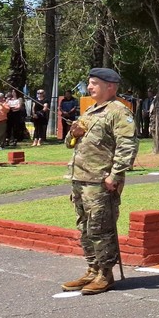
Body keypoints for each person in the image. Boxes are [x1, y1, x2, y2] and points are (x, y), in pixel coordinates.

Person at [60, 67, 138, 295]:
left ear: (110, 87)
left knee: (100, 228)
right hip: (81, 179)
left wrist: (115, 175)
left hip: (100, 181)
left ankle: (105, 273)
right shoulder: (90, 111)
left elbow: (127, 145)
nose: (90, 87)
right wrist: (73, 134)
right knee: (84, 227)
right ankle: (92, 269)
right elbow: (69, 143)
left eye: (94, 83)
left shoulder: (119, 112)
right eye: (90, 83)